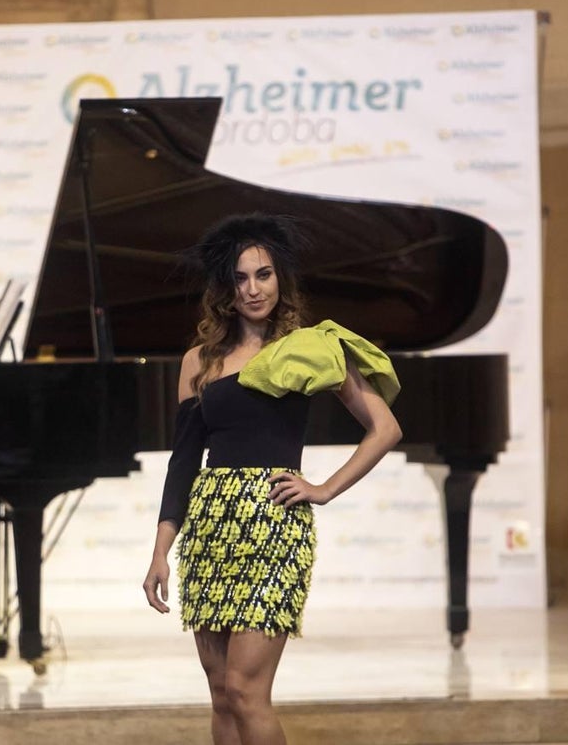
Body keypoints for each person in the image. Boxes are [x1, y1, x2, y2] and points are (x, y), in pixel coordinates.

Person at [141, 213, 402, 745]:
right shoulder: (199, 360)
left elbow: (385, 428)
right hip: (211, 526)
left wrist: (324, 488)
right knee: (220, 690)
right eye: (240, 278)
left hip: (273, 525)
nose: (253, 288)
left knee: (245, 689)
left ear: (280, 279)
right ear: (226, 289)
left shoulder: (311, 346)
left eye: (263, 275)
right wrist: (160, 550)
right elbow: (184, 461)